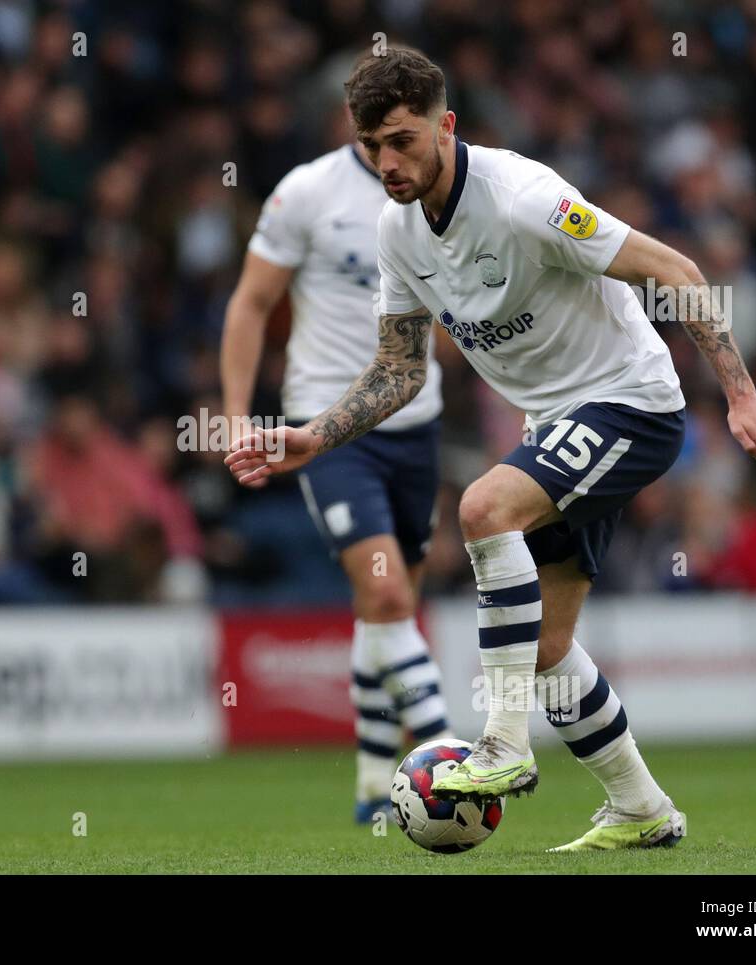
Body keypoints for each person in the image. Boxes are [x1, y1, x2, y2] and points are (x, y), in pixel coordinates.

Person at [225, 47, 756, 851]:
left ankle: (500, 745)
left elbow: (674, 267)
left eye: (402, 140)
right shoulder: (398, 230)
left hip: (631, 402)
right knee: (549, 647)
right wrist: (313, 436)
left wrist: (739, 392)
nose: (387, 163)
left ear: (445, 126)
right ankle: (642, 807)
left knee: (483, 505)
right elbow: (397, 369)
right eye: (371, 146)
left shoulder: (524, 198)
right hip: (557, 422)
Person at [221, 114, 453, 824]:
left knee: (390, 610)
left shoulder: (443, 192)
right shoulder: (306, 192)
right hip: (329, 427)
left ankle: (372, 784)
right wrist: (234, 415)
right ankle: (451, 756)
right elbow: (252, 302)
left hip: (416, 422)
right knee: (386, 599)